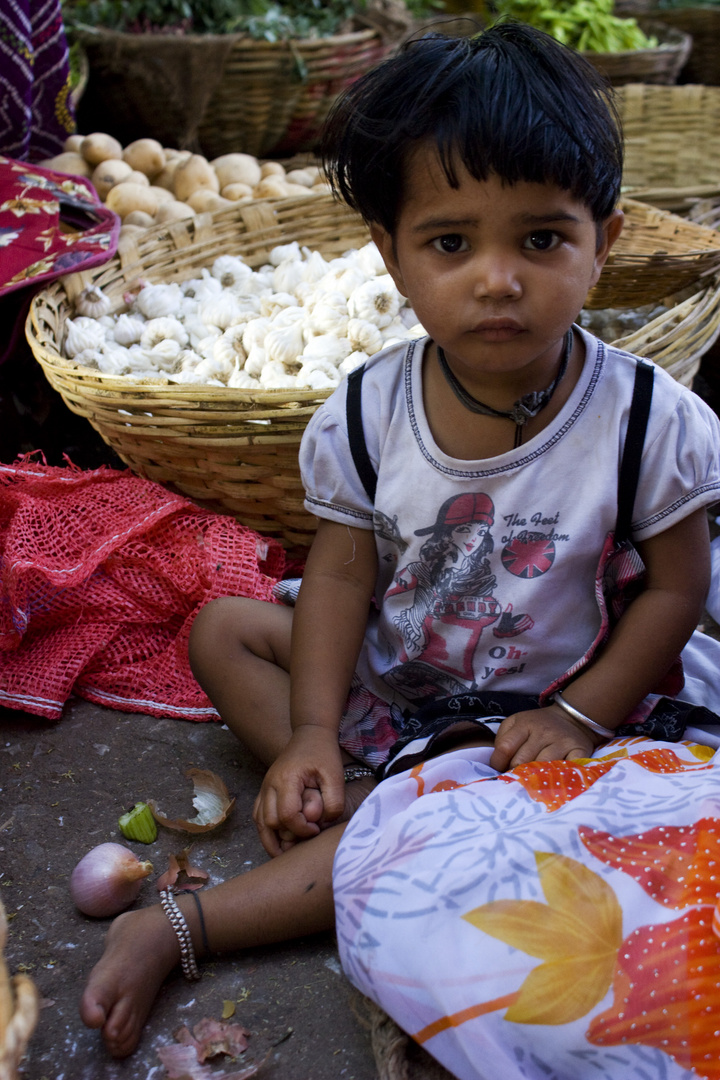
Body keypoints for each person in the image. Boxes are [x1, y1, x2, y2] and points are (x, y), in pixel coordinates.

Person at [79, 22, 720, 1064]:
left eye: (543, 239)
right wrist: (314, 733)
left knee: (448, 827)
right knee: (225, 628)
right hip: (407, 676)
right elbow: (338, 572)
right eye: (452, 242)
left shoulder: (648, 418)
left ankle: (188, 921)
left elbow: (677, 591)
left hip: (560, 701)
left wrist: (575, 713)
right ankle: (359, 783)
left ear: (603, 242)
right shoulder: (369, 413)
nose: (498, 279)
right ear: (392, 254)